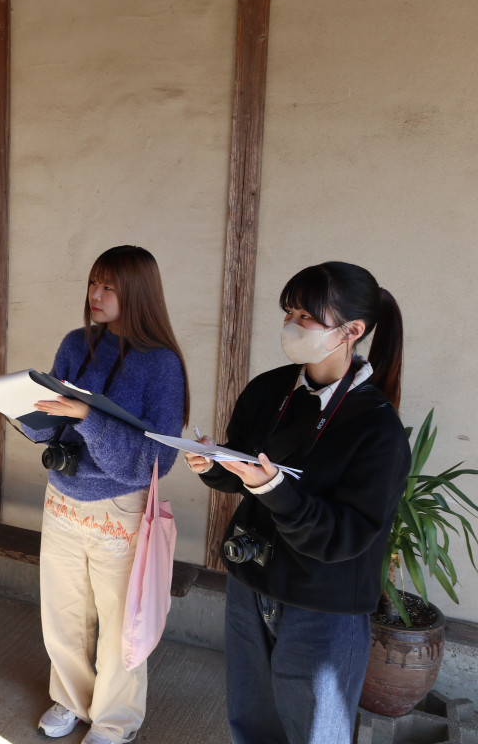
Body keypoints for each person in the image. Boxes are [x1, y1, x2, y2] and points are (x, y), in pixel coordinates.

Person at [186, 261, 410, 744]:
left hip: (323, 604)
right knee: (251, 721)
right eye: (289, 312)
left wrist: (272, 488)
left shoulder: (378, 429)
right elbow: (243, 468)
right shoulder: (269, 389)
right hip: (250, 582)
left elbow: (343, 536)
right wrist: (213, 464)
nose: (291, 325)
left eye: (306, 316)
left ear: (352, 331)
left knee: (314, 732)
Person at [25, 245, 189, 744]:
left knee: (122, 622)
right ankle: (71, 700)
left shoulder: (161, 365)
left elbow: (156, 459)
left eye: (109, 286)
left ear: (137, 294)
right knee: (63, 613)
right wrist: (25, 411)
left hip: (120, 505)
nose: (95, 294)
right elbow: (53, 425)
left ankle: (115, 721)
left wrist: (88, 418)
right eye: (93, 283)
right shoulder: (76, 343)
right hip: (62, 494)